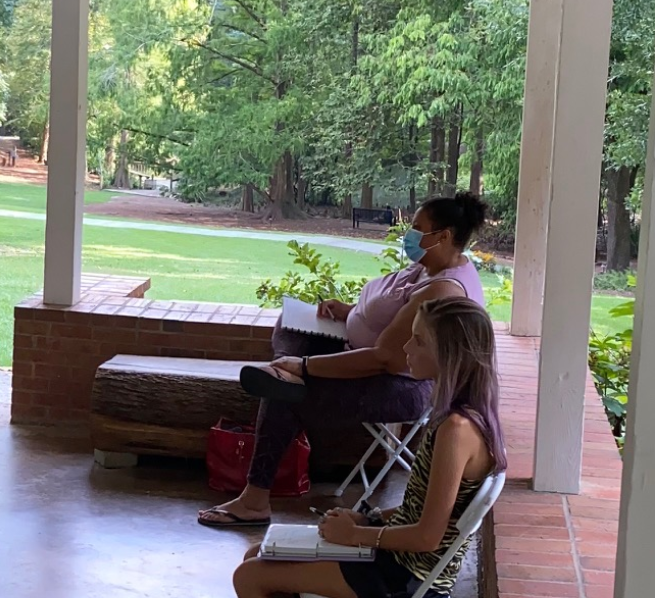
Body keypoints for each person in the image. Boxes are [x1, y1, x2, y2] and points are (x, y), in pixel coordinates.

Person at [229, 297, 503, 598]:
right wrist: (367, 520)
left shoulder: (455, 431)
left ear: (451, 356)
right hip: (398, 563)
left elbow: (425, 537)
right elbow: (423, 509)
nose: (406, 348)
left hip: (404, 578)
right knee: (262, 553)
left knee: (251, 577)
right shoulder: (465, 418)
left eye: (420, 340)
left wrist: (361, 539)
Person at [199, 193, 490, 528]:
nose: (408, 234)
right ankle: (284, 373)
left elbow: (385, 359)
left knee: (284, 399)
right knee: (290, 326)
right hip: (358, 351)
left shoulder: (441, 291)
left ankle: (254, 501)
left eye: (416, 228)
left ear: (444, 236)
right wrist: (349, 312)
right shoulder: (430, 265)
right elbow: (390, 315)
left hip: (401, 385)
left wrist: (305, 366)